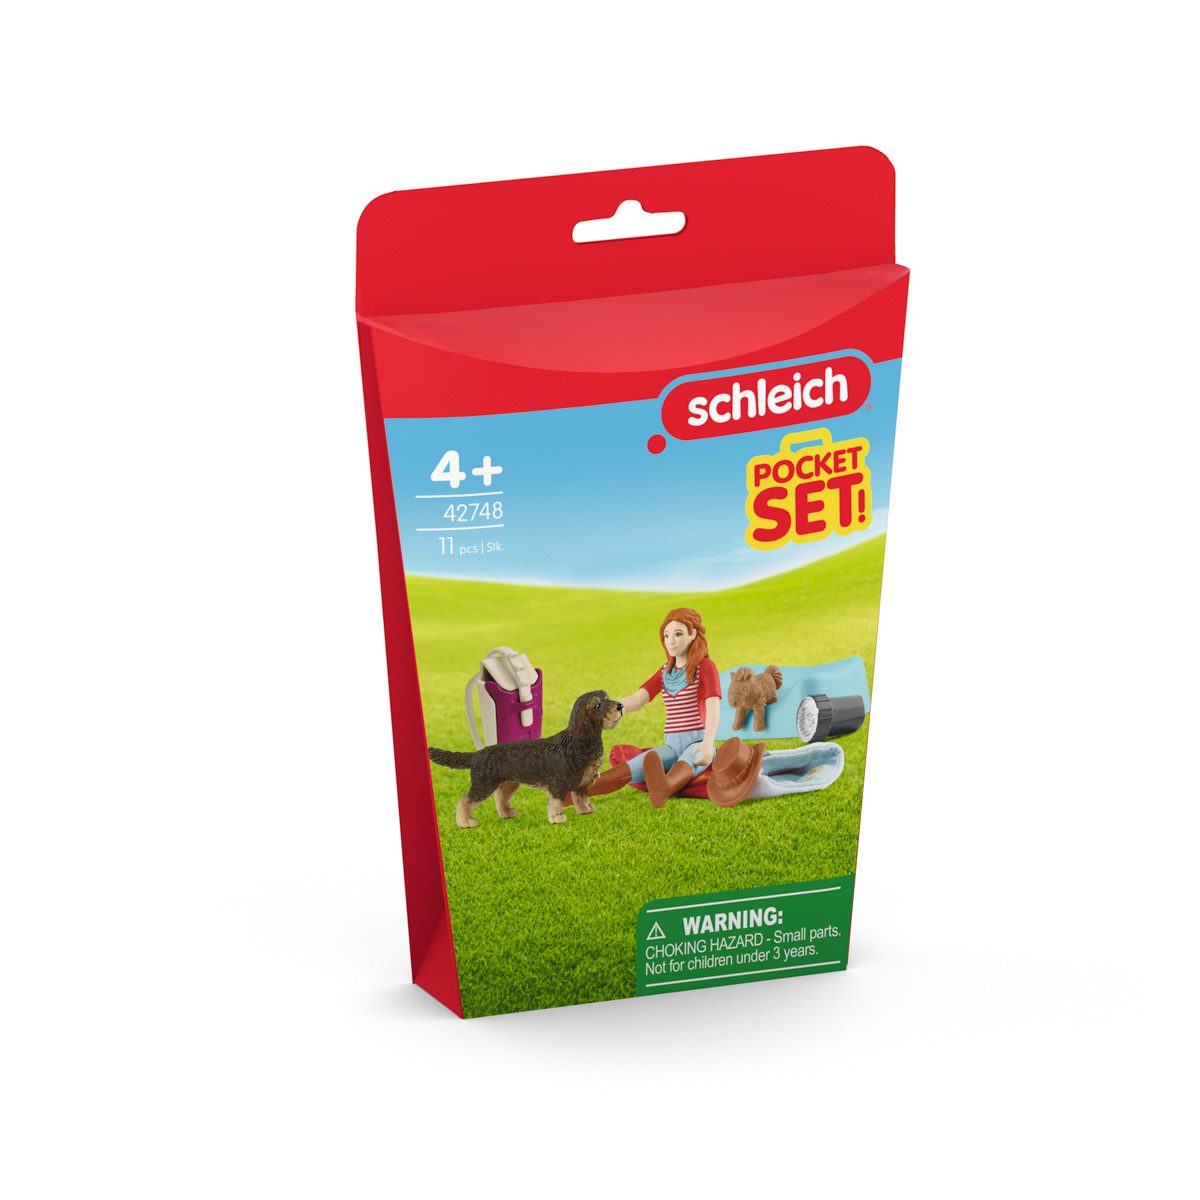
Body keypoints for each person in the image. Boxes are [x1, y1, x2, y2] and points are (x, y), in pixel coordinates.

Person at [588, 608, 722, 808]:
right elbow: (638, 698)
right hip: (671, 746)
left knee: (683, 767)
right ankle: (577, 791)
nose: (671, 641)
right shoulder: (665, 672)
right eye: (667, 636)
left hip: (696, 743)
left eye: (678, 634)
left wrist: (708, 742)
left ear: (693, 634)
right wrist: (615, 709)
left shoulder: (705, 666)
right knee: (629, 769)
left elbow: (713, 706)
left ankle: (664, 789)